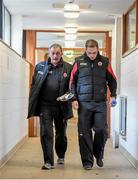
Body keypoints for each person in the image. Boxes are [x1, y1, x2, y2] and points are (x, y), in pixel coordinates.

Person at [69, 39, 117, 170]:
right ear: (85, 50)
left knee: (102, 130)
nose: (92, 55)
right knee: (84, 133)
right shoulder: (78, 61)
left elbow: (112, 80)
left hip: (100, 103)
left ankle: (98, 154)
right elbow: (72, 81)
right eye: (89, 53)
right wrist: (73, 99)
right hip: (84, 104)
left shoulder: (105, 62)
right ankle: (87, 161)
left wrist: (113, 95)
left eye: (94, 53)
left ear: (98, 50)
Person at [27, 43, 73, 170]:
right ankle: (48, 161)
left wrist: (69, 98)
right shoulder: (40, 66)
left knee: (61, 133)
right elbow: (35, 85)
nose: (55, 56)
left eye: (58, 53)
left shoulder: (68, 68)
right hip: (45, 106)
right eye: (53, 53)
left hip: (61, 106)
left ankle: (61, 155)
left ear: (61, 53)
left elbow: (73, 88)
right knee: (46, 133)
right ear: (49, 53)